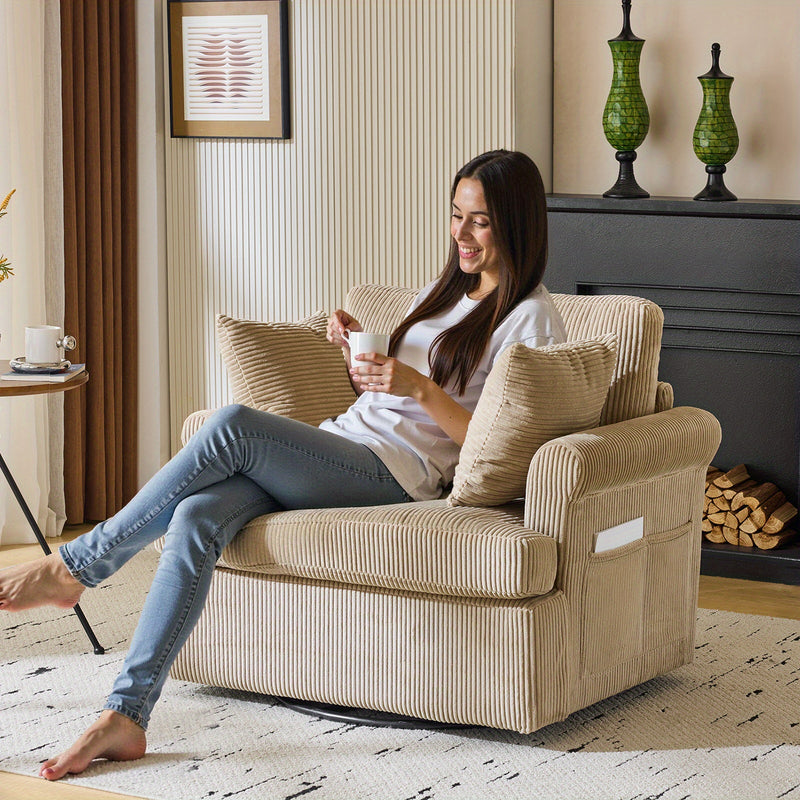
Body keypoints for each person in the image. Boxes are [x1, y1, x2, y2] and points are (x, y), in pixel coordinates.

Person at [0, 149, 567, 780]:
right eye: (455, 215)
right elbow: (390, 399)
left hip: (398, 477)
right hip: (350, 446)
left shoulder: (532, 318)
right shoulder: (453, 292)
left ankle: (78, 566)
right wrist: (358, 351)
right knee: (195, 515)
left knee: (231, 425)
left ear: (517, 222)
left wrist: (418, 388)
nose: (459, 234)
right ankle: (126, 715)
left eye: (479, 221)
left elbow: (502, 443)